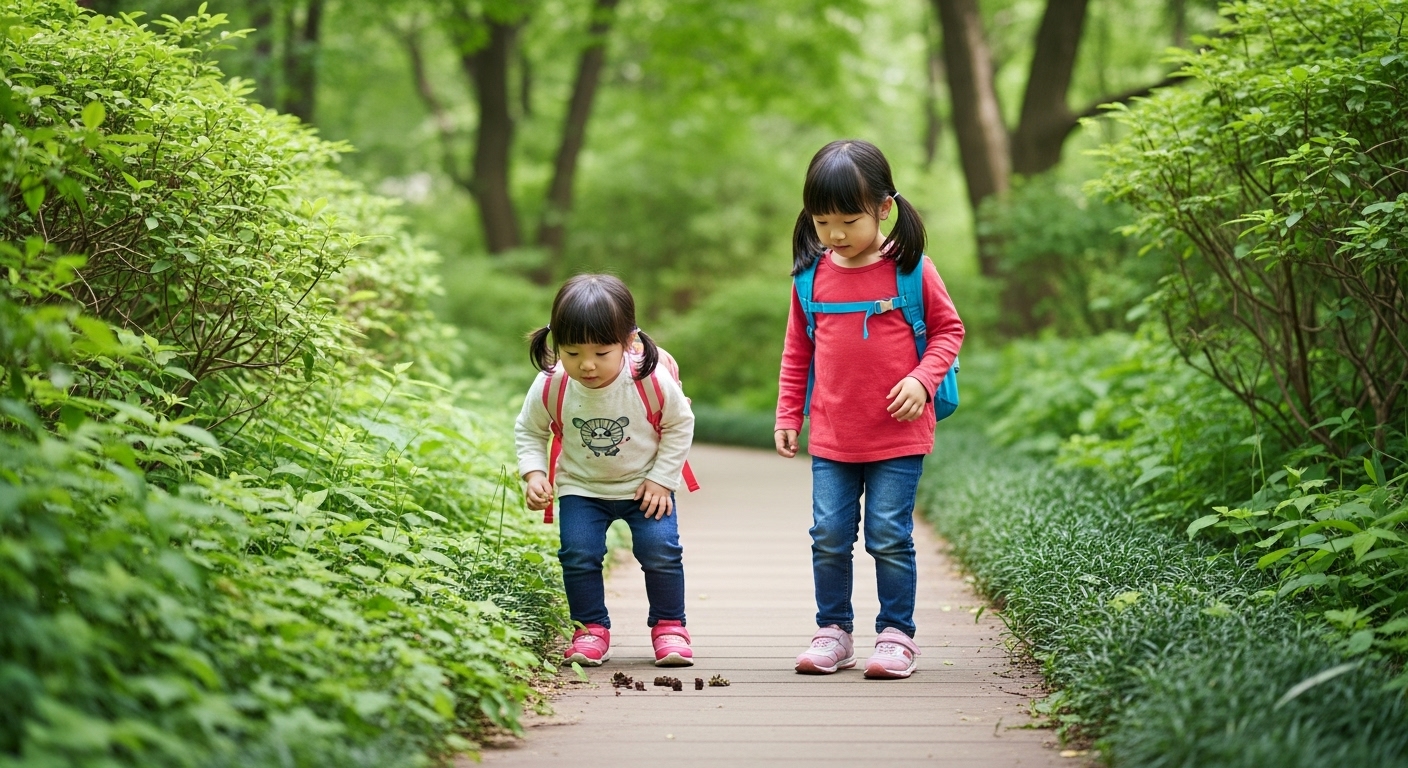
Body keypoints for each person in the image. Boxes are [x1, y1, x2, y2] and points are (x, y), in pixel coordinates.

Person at [775, 140, 964, 679]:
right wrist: (789, 414)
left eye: (849, 220)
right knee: (829, 535)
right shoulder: (810, 277)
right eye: (822, 220)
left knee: (887, 533)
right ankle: (833, 631)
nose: (835, 234)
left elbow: (949, 331)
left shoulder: (911, 270)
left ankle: (896, 635)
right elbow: (797, 351)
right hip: (833, 434)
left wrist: (923, 380)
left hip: (898, 433)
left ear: (884, 208)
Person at [515, 274, 697, 668]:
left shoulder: (649, 378)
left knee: (661, 552)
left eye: (601, 352)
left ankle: (670, 626)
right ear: (555, 342)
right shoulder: (552, 383)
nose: (587, 365)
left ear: (629, 341)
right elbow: (529, 429)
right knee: (578, 555)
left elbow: (680, 423)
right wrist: (533, 474)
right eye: (573, 352)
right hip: (581, 486)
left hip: (646, 487)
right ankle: (590, 629)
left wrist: (662, 479)